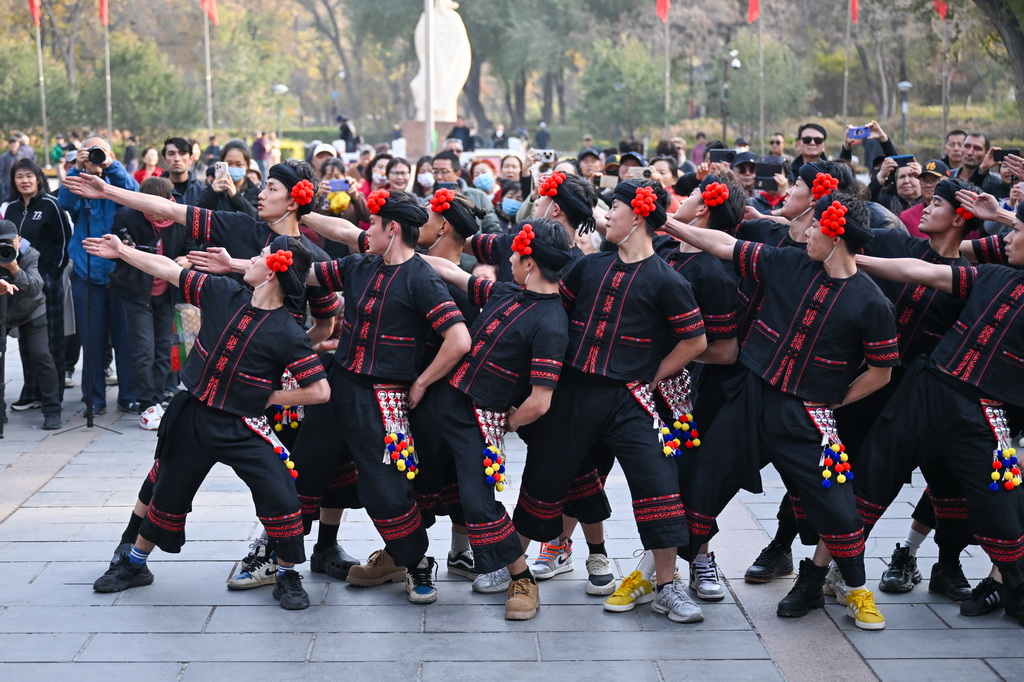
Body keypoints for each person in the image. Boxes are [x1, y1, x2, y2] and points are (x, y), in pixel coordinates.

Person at [663, 191, 899, 630]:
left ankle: (847, 588)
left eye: (815, 227)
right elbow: (723, 245)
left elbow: (881, 372)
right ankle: (663, 576)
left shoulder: (871, 302)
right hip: (750, 398)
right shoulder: (788, 263)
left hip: (806, 415)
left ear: (837, 236)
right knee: (703, 484)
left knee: (837, 504)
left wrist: (836, 401)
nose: (805, 233)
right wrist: (668, 223)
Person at [85, 229, 331, 610]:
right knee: (167, 491)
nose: (249, 259)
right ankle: (135, 565)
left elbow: (319, 391)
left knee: (281, 494)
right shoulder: (223, 294)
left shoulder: (287, 331)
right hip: (194, 416)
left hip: (244, 426)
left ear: (271, 272)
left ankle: (286, 574)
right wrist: (121, 252)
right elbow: (168, 269)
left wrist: (269, 397)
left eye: (259, 255)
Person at [513, 179, 710, 623]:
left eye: (615, 208)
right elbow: (555, 313)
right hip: (576, 390)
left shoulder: (667, 279)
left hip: (630, 399)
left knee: (658, 482)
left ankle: (666, 587)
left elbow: (694, 340)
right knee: (546, 474)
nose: (608, 216)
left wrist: (653, 374)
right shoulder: (590, 267)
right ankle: (511, 568)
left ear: (637, 216)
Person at [289, 189, 472, 604]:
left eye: (372, 224)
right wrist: (240, 264)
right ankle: (279, 559)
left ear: (392, 229)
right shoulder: (360, 265)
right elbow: (310, 274)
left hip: (382, 396)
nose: (364, 231)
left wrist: (422, 382)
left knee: (384, 488)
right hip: (338, 385)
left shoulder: (422, 278)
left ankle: (415, 562)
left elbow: (458, 339)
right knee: (304, 469)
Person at [853, 194, 1024, 627]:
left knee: (997, 502)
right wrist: (853, 258)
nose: (1007, 235)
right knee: (873, 474)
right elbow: (922, 271)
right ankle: (825, 573)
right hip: (928, 390)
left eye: (1016, 231)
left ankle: (1008, 587)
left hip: (988, 412)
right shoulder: (995, 275)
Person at [413, 219, 572, 619]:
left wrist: (506, 423)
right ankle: (403, 557)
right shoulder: (504, 291)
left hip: (479, 419)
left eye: (516, 257)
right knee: (412, 478)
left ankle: (521, 579)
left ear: (530, 263)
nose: (511, 262)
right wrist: (401, 256)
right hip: (442, 401)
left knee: (478, 500)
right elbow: (451, 271)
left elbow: (540, 401)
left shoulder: (552, 323)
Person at [57, 135, 139, 415]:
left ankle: (129, 396)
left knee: (124, 340)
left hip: (120, 272)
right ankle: (94, 399)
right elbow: (65, 204)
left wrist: (111, 167)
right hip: (86, 272)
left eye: (99, 151)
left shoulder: (117, 179)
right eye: (90, 151)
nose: (95, 156)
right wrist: (76, 170)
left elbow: (135, 196)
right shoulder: (79, 178)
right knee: (91, 340)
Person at [109, 177, 194, 431]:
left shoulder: (181, 217)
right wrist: (125, 248)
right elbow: (119, 245)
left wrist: (186, 260)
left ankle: (157, 398)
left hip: (167, 292)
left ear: (169, 202)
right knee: (142, 349)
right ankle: (146, 403)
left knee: (163, 350)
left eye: (159, 210)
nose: (156, 217)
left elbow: (193, 247)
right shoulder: (127, 216)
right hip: (136, 292)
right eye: (149, 211)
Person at [3, 159, 72, 412]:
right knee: (25, 340)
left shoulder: (52, 205)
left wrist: (52, 275)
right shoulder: (9, 208)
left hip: (47, 282)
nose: (24, 181)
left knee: (51, 343)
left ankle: (53, 395)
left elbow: (65, 244)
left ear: (39, 178)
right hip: (18, 281)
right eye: (19, 176)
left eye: (29, 176)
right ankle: (30, 391)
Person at [0, 220, 62, 429]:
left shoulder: (30, 254)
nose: (6, 247)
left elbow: (36, 287)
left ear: (18, 240)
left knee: (41, 356)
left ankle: (52, 409)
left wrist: (14, 269)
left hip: (31, 310)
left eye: (9, 242)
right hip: (1, 312)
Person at [431, 151, 500, 233]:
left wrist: (475, 242)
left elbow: (494, 231)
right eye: (435, 171)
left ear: (457, 173)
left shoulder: (478, 196)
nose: (439, 177)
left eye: (444, 171)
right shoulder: (429, 201)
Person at [197, 139, 261, 217]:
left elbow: (257, 220)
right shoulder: (210, 190)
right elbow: (197, 217)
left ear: (247, 166)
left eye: (239, 164)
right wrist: (211, 194)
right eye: (229, 164)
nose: (233, 167)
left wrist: (235, 196)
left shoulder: (257, 194)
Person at [900, 159, 950, 237]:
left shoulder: (957, 215)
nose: (928, 185)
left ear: (948, 182)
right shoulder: (906, 217)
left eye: (934, 181)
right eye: (925, 181)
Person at [161, 137, 205, 206]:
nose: (177, 159)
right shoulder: (155, 190)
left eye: (182, 153)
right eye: (171, 154)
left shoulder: (202, 191)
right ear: (164, 159)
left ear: (191, 159)